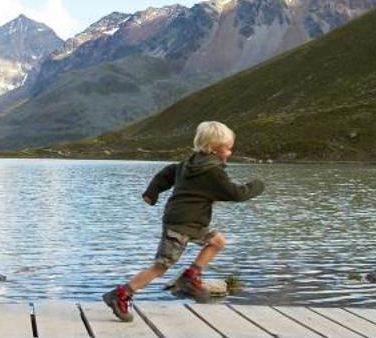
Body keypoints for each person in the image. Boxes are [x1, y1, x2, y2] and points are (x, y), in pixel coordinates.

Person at [102, 120, 264, 321]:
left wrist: (152, 193)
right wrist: (257, 185)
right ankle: (120, 294)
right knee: (161, 266)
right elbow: (235, 194)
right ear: (215, 149)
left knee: (217, 241)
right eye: (228, 149)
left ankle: (190, 276)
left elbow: (167, 173)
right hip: (181, 224)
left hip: (194, 222)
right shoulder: (212, 172)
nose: (230, 153)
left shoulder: (190, 163)